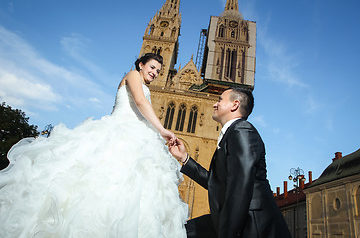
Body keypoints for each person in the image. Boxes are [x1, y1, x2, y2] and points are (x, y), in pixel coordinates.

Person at [0, 53, 188, 238]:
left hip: (137, 135)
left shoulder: (144, 85)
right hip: (121, 132)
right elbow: (140, 102)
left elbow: (144, 111)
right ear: (140, 65)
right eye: (152, 67)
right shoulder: (133, 75)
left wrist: (158, 133)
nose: (155, 73)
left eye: (158, 71)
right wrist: (163, 130)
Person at [168, 87, 292, 238]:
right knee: (177, 232)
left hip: (251, 224)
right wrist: (184, 158)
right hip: (232, 218)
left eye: (220, 100)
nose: (215, 104)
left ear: (235, 105)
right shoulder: (232, 133)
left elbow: (240, 185)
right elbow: (217, 183)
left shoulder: (242, 130)